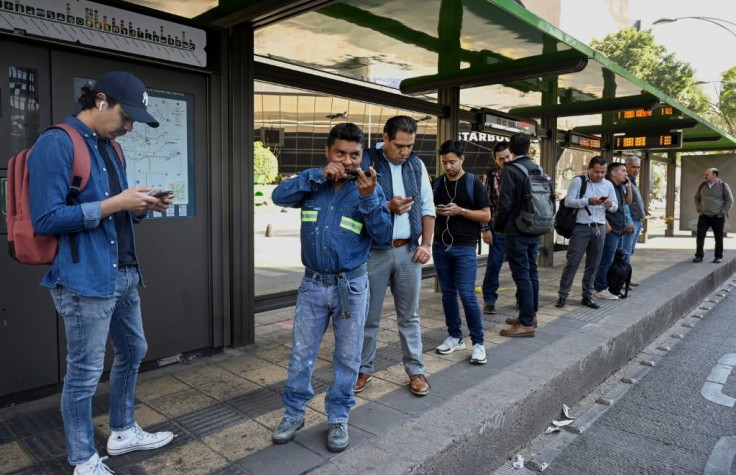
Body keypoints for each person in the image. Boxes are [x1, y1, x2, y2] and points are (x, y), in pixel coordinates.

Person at [28, 72, 174, 474]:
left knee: (133, 351)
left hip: (124, 272)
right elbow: (46, 218)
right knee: (85, 373)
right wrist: (117, 204)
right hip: (84, 277)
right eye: (127, 117)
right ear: (101, 101)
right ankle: (82, 458)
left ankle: (123, 430)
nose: (129, 127)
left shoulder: (112, 148)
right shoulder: (56, 144)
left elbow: (116, 209)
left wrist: (141, 206)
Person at [270, 123, 391, 452]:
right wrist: (318, 175)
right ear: (328, 152)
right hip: (312, 284)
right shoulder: (314, 180)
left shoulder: (369, 188)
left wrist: (368, 200)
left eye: (355, 155)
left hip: (351, 286)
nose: (348, 161)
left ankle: (338, 417)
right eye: (341, 153)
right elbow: (278, 195)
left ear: (362, 155)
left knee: (348, 358)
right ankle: (293, 413)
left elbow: (383, 236)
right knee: (300, 355)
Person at [355, 116, 434, 397]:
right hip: (374, 252)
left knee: (409, 316)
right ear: (385, 137)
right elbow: (354, 205)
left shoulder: (417, 164)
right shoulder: (367, 160)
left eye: (410, 146)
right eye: (400, 145)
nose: (405, 152)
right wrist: (387, 206)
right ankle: (362, 369)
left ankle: (415, 370)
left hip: (409, 251)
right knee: (368, 316)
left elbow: (427, 205)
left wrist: (427, 243)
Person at [433, 140, 491, 362]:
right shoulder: (437, 184)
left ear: (462, 159)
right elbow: (426, 211)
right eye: (444, 162)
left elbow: (486, 215)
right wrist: (436, 211)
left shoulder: (472, 182)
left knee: (467, 295)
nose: (448, 166)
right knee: (448, 294)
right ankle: (455, 336)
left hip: (465, 247)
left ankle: (478, 342)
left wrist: (460, 211)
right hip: (440, 247)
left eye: (452, 162)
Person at [494, 133, 554, 337]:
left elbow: (505, 204)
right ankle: (530, 314)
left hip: (517, 229)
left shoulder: (511, 170)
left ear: (510, 149)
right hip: (535, 227)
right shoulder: (538, 168)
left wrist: (498, 226)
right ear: (529, 148)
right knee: (531, 272)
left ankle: (526, 323)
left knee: (521, 275)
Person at [555, 156, 617, 309]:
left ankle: (587, 296)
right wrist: (588, 201)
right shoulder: (579, 181)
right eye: (597, 172)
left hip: (599, 227)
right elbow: (569, 201)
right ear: (590, 169)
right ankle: (563, 295)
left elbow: (615, 206)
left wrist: (610, 204)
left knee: (593, 264)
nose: (600, 175)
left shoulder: (608, 184)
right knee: (572, 262)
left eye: (603, 172)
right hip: (581, 227)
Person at [593, 162, 633, 300]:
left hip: (619, 229)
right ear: (613, 173)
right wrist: (605, 222)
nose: (626, 174)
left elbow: (627, 203)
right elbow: (599, 206)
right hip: (611, 230)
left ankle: (609, 285)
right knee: (606, 260)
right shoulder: (606, 187)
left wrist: (629, 188)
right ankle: (600, 287)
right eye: (623, 171)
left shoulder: (620, 187)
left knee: (614, 260)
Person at [481, 141, 513, 315]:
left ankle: (522, 299)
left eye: (508, 156)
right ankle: (489, 299)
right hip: (498, 228)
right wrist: (485, 228)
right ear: (495, 160)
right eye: (501, 158)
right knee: (494, 264)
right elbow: (485, 203)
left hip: (518, 229)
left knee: (520, 266)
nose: (505, 160)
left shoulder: (520, 172)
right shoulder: (490, 176)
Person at [693, 168, 733, 263]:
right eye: (705, 174)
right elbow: (696, 198)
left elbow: (729, 200)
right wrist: (699, 209)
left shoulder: (723, 185)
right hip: (704, 216)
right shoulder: (702, 185)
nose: (705, 176)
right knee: (700, 235)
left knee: (718, 237)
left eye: (707, 174)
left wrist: (722, 212)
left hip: (718, 217)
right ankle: (699, 256)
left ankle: (718, 256)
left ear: (714, 175)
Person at [621, 155, 645, 285]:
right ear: (627, 167)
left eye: (638, 167)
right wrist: (629, 222)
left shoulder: (633, 181)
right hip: (630, 222)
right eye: (633, 167)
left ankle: (626, 278)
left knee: (629, 251)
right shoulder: (625, 182)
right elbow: (625, 204)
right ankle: (623, 280)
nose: (636, 170)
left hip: (636, 220)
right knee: (625, 251)